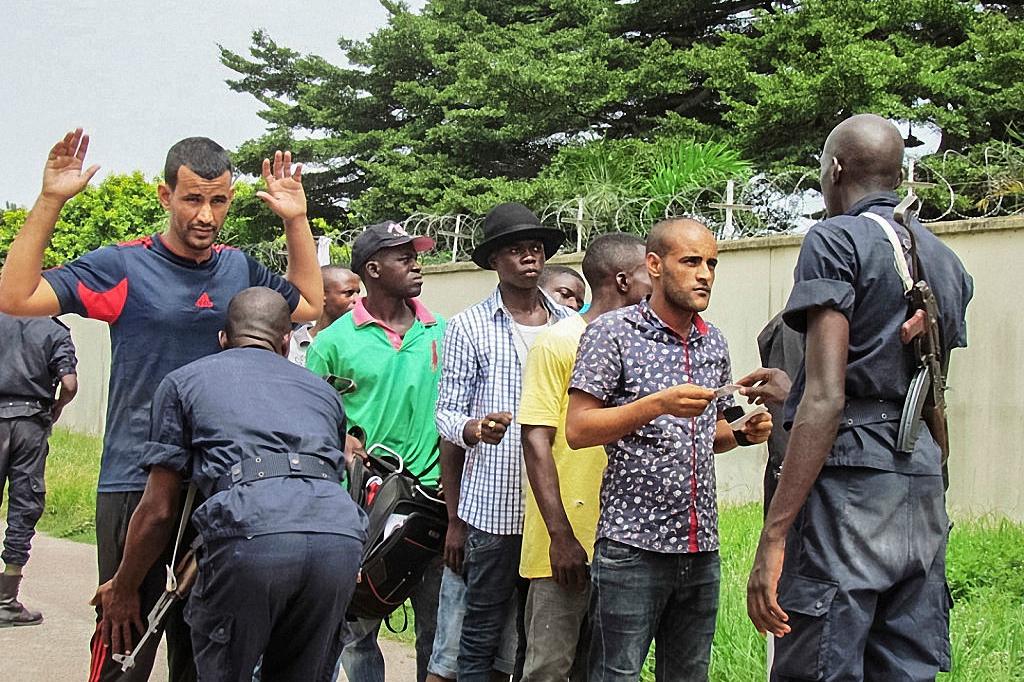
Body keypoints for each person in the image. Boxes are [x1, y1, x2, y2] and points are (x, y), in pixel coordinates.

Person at [0, 129, 323, 682]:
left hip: (221, 484)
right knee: (126, 645)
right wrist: (51, 199)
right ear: (164, 196)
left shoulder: (239, 270)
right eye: (193, 198)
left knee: (203, 653)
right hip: (135, 481)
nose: (206, 214)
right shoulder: (123, 266)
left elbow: (310, 303)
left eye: (218, 201)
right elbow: (16, 296)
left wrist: (296, 220)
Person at [746, 114, 974, 681]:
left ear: (835, 169)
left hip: (849, 488)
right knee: (904, 664)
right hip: (918, 484)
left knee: (820, 661)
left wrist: (773, 536)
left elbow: (826, 395)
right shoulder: (946, 260)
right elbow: (928, 390)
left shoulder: (834, 239)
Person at [91, 287, 365, 682]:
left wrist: (125, 585)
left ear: (223, 339)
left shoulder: (184, 382)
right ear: (286, 340)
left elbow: (160, 509)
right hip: (338, 539)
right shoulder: (323, 392)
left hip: (253, 535)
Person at [565, 218, 773, 682]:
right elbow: (578, 429)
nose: (705, 274)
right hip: (632, 546)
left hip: (700, 547)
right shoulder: (612, 333)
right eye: (691, 261)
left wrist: (741, 433)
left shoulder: (712, 341)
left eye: (712, 264)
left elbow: (700, 436)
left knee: (688, 675)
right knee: (614, 674)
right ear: (655, 266)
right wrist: (656, 404)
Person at [433, 202, 573, 682]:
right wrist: (475, 429)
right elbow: (446, 415)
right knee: (483, 631)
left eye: (535, 249)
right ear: (495, 260)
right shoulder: (468, 327)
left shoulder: (568, 325)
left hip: (556, 506)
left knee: (542, 633)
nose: (529, 259)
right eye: (516, 251)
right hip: (496, 506)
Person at [305, 221, 444, 682]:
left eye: (415, 254)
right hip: (366, 506)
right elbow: (314, 417)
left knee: (437, 633)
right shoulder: (331, 343)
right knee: (357, 631)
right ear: (373, 269)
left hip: (436, 504)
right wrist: (341, 437)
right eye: (403, 257)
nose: (416, 264)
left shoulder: (441, 330)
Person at [518, 233, 651, 681]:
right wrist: (561, 536)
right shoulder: (558, 342)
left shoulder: (640, 346)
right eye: (647, 272)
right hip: (564, 543)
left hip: (623, 543)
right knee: (549, 669)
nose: (657, 280)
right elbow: (536, 441)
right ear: (623, 280)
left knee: (606, 669)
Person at [0, 313, 78, 627]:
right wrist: (58, 405)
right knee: (24, 504)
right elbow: (70, 383)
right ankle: (6, 599)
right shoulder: (54, 330)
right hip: (31, 422)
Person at [288, 265, 361, 366]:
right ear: (321, 295)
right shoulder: (291, 345)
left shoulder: (361, 344)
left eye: (358, 292)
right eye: (349, 293)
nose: (357, 300)